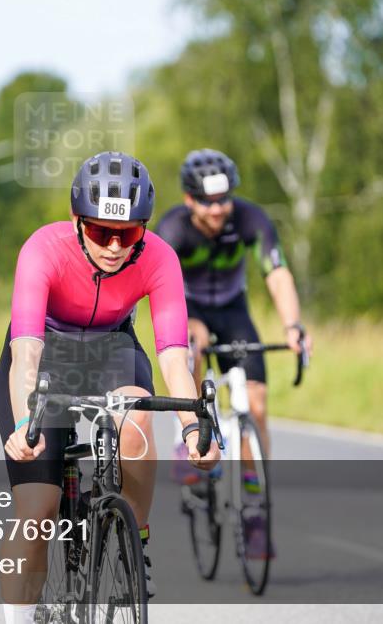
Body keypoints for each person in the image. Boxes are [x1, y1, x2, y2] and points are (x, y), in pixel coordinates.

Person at [0, 151, 220, 623]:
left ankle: (133, 539)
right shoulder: (44, 248)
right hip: (46, 354)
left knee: (137, 417)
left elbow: (174, 357)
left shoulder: (160, 257)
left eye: (129, 233)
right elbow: (27, 355)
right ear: (77, 221)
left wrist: (192, 427)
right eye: (101, 231)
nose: (115, 246)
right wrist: (24, 422)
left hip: (111, 347)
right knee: (37, 510)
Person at [155, 148, 313, 557]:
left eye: (224, 199)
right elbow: (159, 292)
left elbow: (277, 274)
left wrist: (293, 325)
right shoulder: (172, 229)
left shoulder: (251, 219)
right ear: (189, 199)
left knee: (256, 406)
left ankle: (255, 511)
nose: (218, 209)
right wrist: (189, 324)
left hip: (233, 311)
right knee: (192, 345)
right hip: (187, 309)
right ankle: (183, 437)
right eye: (208, 202)